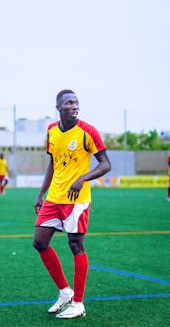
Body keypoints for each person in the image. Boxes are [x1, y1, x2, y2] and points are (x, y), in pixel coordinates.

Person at [32, 89, 111, 319]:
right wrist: (41, 194)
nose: (74, 106)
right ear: (59, 108)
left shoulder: (88, 131)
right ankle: (65, 292)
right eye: (69, 103)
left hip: (77, 200)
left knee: (76, 245)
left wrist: (82, 178)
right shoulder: (51, 131)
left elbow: (106, 164)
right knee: (39, 242)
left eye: (76, 102)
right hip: (54, 197)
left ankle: (78, 303)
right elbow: (53, 164)